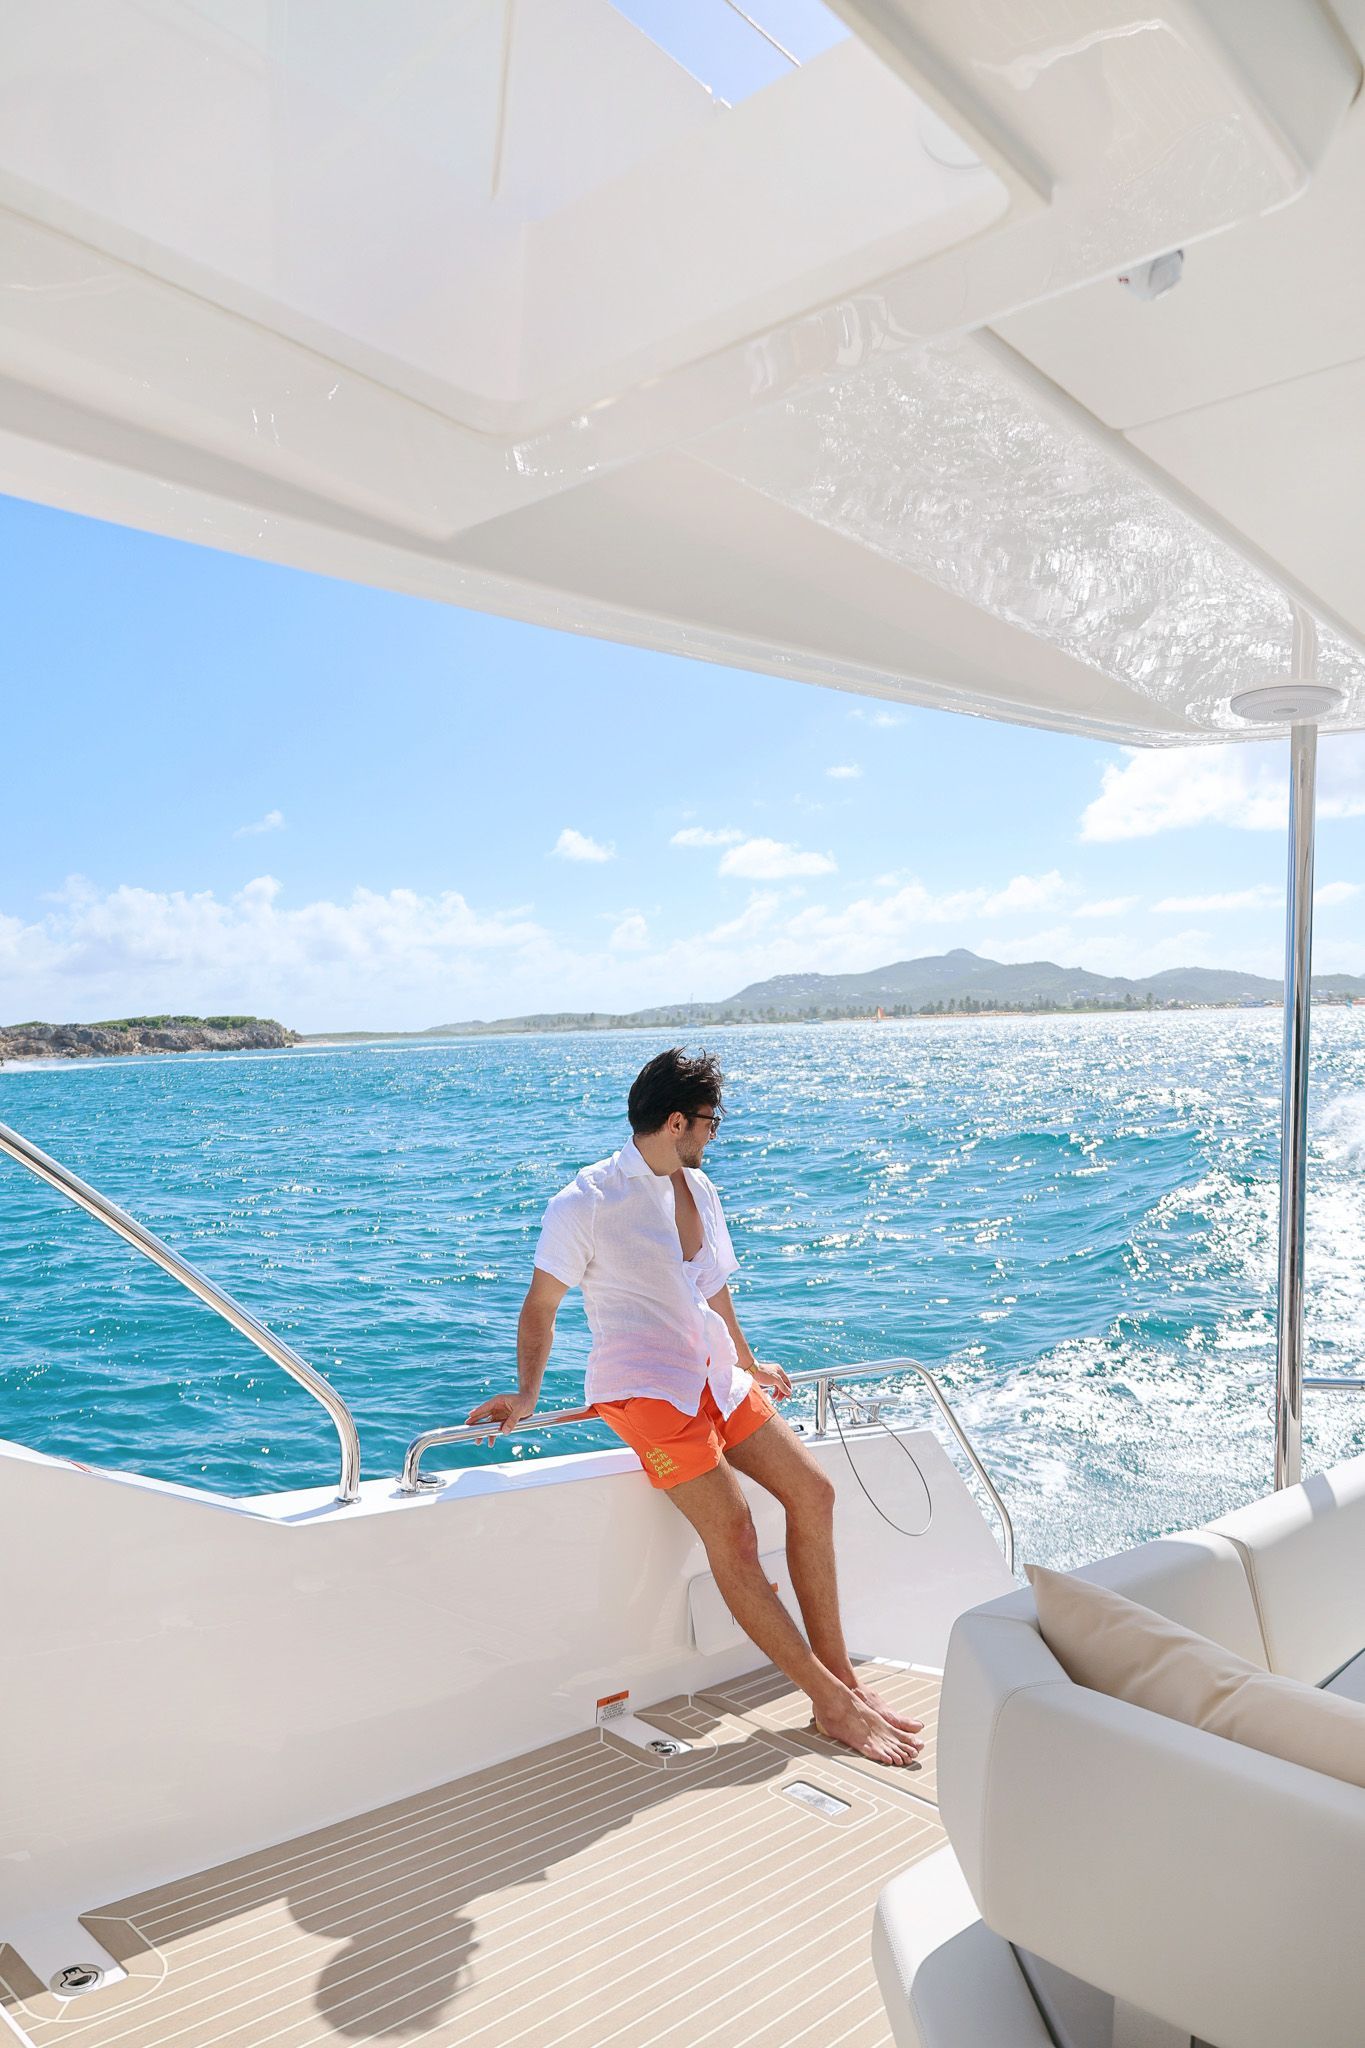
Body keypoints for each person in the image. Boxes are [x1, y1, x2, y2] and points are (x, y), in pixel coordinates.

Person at [466, 1047, 923, 1767]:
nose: (715, 1136)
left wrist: (744, 1360)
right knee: (735, 1534)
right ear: (676, 1121)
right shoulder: (583, 1203)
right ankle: (830, 1705)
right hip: (643, 1388)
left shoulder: (698, 1190)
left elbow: (712, 1289)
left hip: (710, 1373)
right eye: (710, 1122)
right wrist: (526, 1394)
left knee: (815, 1491)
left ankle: (845, 1683)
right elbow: (541, 1307)